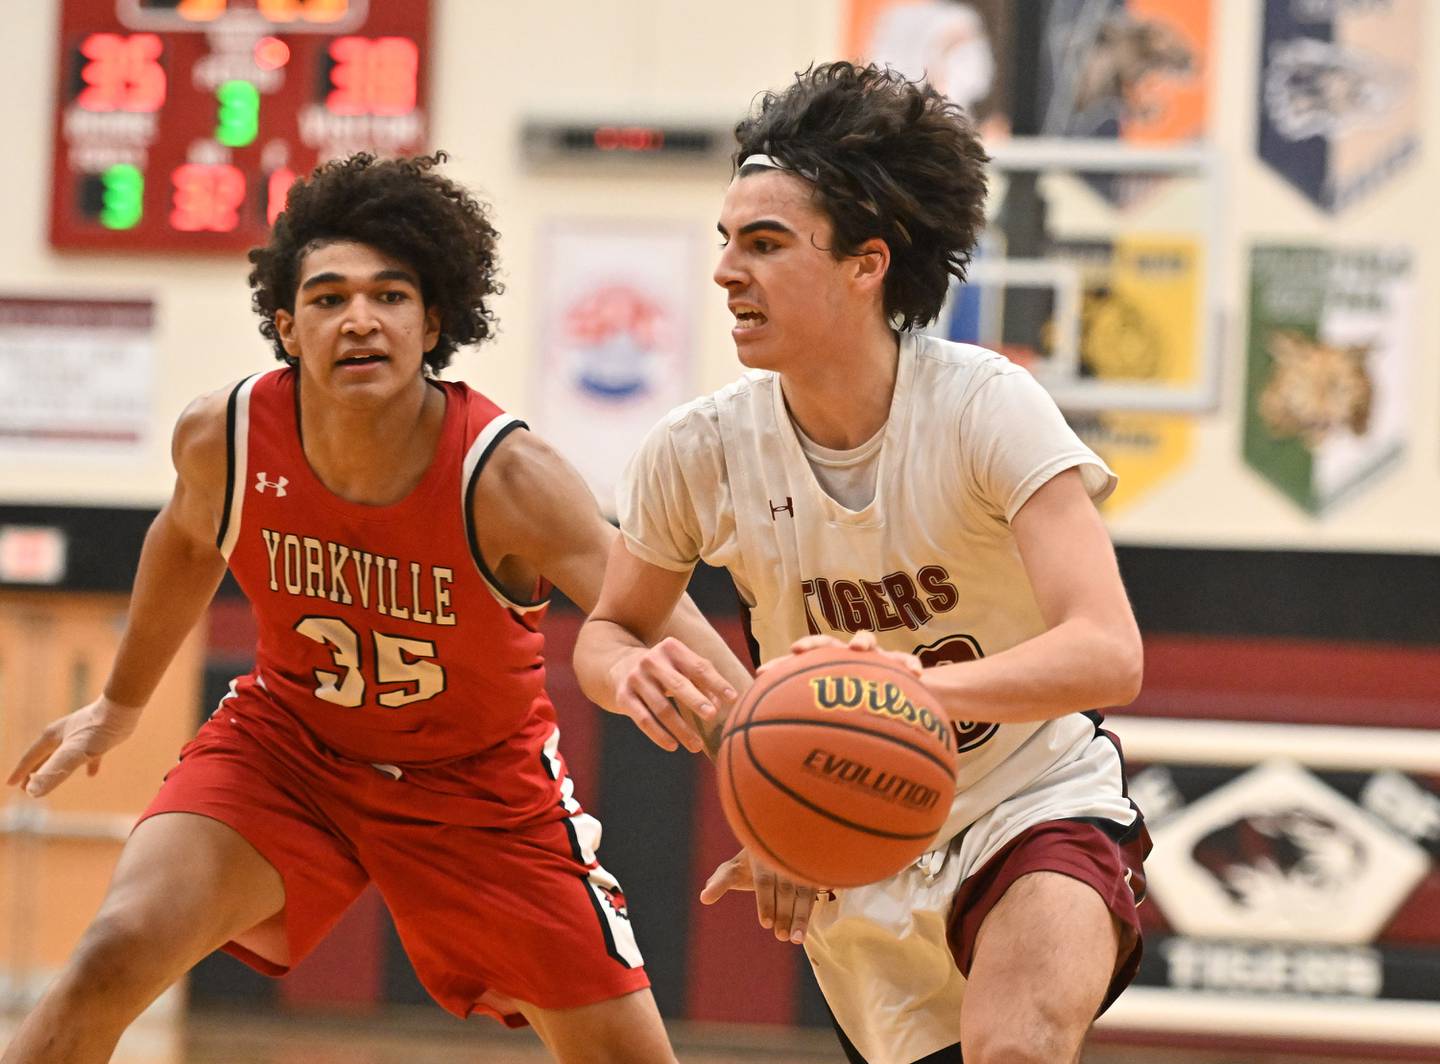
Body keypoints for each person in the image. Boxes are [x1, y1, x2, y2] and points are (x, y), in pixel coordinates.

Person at [4, 152, 745, 1064]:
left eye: (389, 296)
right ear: (285, 325)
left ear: (433, 321)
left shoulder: (508, 477)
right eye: (327, 298)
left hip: (479, 789)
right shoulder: (224, 436)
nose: (359, 319)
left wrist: (769, 775)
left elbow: (661, 613)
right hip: (289, 752)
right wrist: (119, 707)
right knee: (111, 952)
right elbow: (187, 542)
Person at [574, 63, 1152, 1064]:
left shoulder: (984, 406)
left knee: (1016, 1045)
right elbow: (609, 627)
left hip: (1031, 801)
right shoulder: (696, 449)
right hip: (855, 838)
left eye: (763, 243)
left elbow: (1109, 652)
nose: (724, 271)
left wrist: (902, 694)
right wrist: (629, 673)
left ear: (865, 263)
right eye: (725, 243)